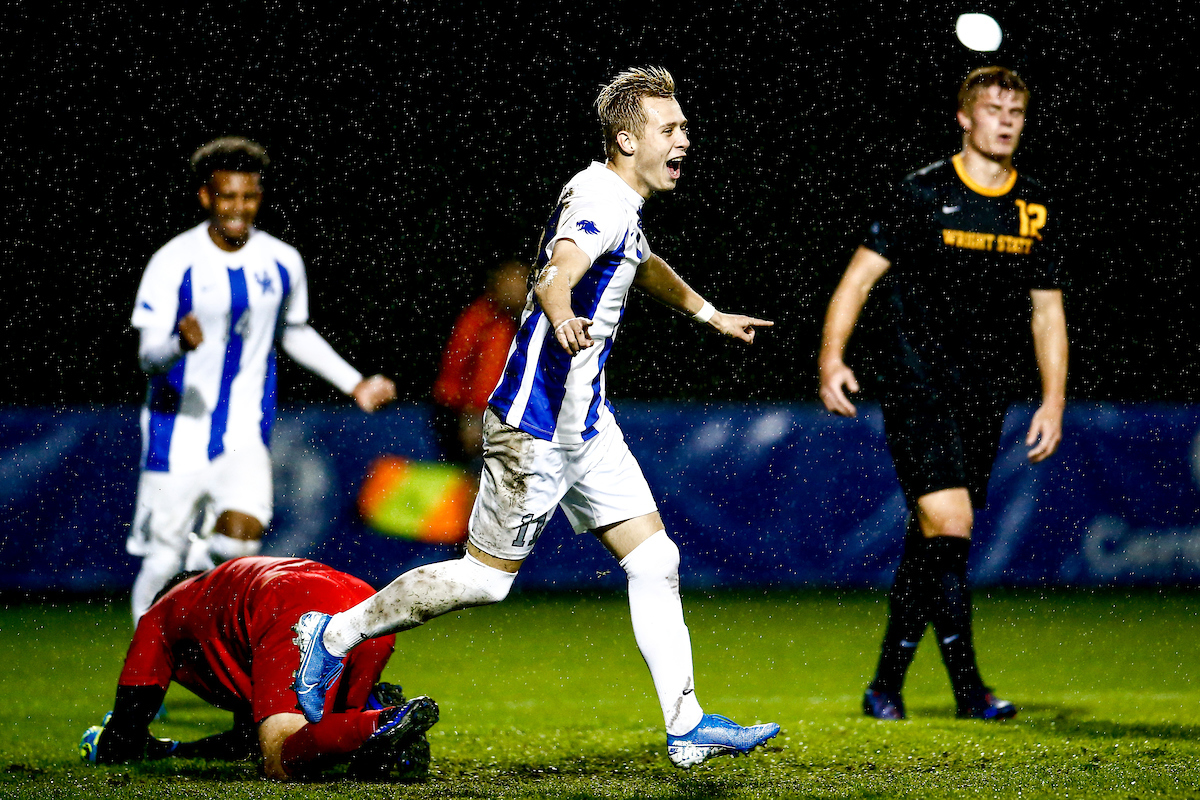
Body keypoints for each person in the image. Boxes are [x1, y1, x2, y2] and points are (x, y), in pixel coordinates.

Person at [289, 66, 779, 769]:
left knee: (656, 559)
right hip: (535, 427)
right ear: (625, 139)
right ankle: (331, 635)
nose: (685, 139)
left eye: (684, 126)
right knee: (486, 580)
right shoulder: (598, 197)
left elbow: (642, 265)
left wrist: (708, 314)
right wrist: (562, 313)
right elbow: (557, 271)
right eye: (670, 129)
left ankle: (686, 722)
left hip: (586, 425)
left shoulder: (622, 207)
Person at [817, 66, 1068, 720]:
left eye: (1016, 109)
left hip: (984, 394)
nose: (1006, 119)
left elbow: (1047, 312)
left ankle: (884, 686)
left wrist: (1053, 400)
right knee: (950, 523)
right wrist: (831, 358)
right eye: (993, 108)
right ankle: (970, 691)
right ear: (965, 117)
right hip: (915, 381)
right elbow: (856, 281)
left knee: (934, 539)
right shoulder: (922, 192)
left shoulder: (1033, 205)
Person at [127, 137, 398, 623]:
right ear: (206, 197)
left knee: (239, 544)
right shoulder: (173, 261)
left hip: (244, 432)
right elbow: (148, 356)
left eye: (248, 197)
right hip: (177, 433)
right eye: (227, 197)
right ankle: (142, 691)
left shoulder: (280, 260)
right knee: (161, 558)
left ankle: (196, 569)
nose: (239, 208)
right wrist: (177, 345)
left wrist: (354, 382)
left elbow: (294, 332)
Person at [78, 557, 438, 780]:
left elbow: (125, 732)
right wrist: (177, 751)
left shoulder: (161, 614)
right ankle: (370, 714)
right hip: (363, 597)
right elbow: (244, 741)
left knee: (280, 758)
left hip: (297, 611)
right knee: (322, 743)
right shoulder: (219, 600)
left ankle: (384, 720)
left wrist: (105, 742)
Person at [431, 256, 530, 466]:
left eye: (524, 280)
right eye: (514, 280)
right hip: (468, 417)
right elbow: (459, 374)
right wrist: (471, 420)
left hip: (503, 417)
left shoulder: (521, 319)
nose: (520, 287)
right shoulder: (483, 320)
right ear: (498, 283)